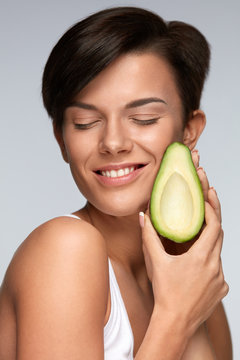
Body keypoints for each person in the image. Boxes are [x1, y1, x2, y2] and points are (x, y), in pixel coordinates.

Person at [0, 6, 232, 360]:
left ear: (189, 131)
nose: (113, 142)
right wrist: (176, 318)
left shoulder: (195, 280)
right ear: (61, 140)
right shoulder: (65, 248)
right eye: (85, 122)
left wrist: (185, 272)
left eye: (143, 118)